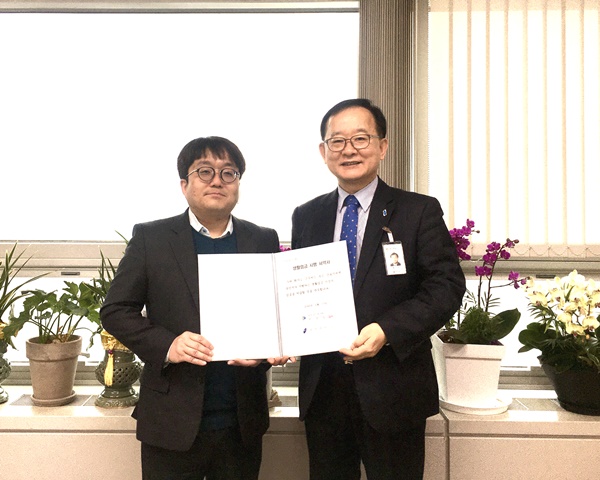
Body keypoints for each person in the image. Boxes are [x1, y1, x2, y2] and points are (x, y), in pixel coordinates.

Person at [291, 99, 466, 480]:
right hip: (325, 390)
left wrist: (387, 330)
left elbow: (446, 286)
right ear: (323, 151)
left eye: (360, 138)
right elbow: (299, 290)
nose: (348, 150)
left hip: (394, 388)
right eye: (337, 141)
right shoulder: (307, 216)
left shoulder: (417, 211)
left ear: (382, 146)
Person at [101, 136, 292, 480]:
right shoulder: (152, 238)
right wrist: (168, 345)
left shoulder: (261, 239)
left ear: (238, 183)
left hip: (240, 423)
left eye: (228, 172)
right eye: (205, 171)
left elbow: (274, 312)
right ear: (184, 184)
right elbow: (115, 310)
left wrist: (268, 352)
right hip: (170, 421)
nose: (217, 180)